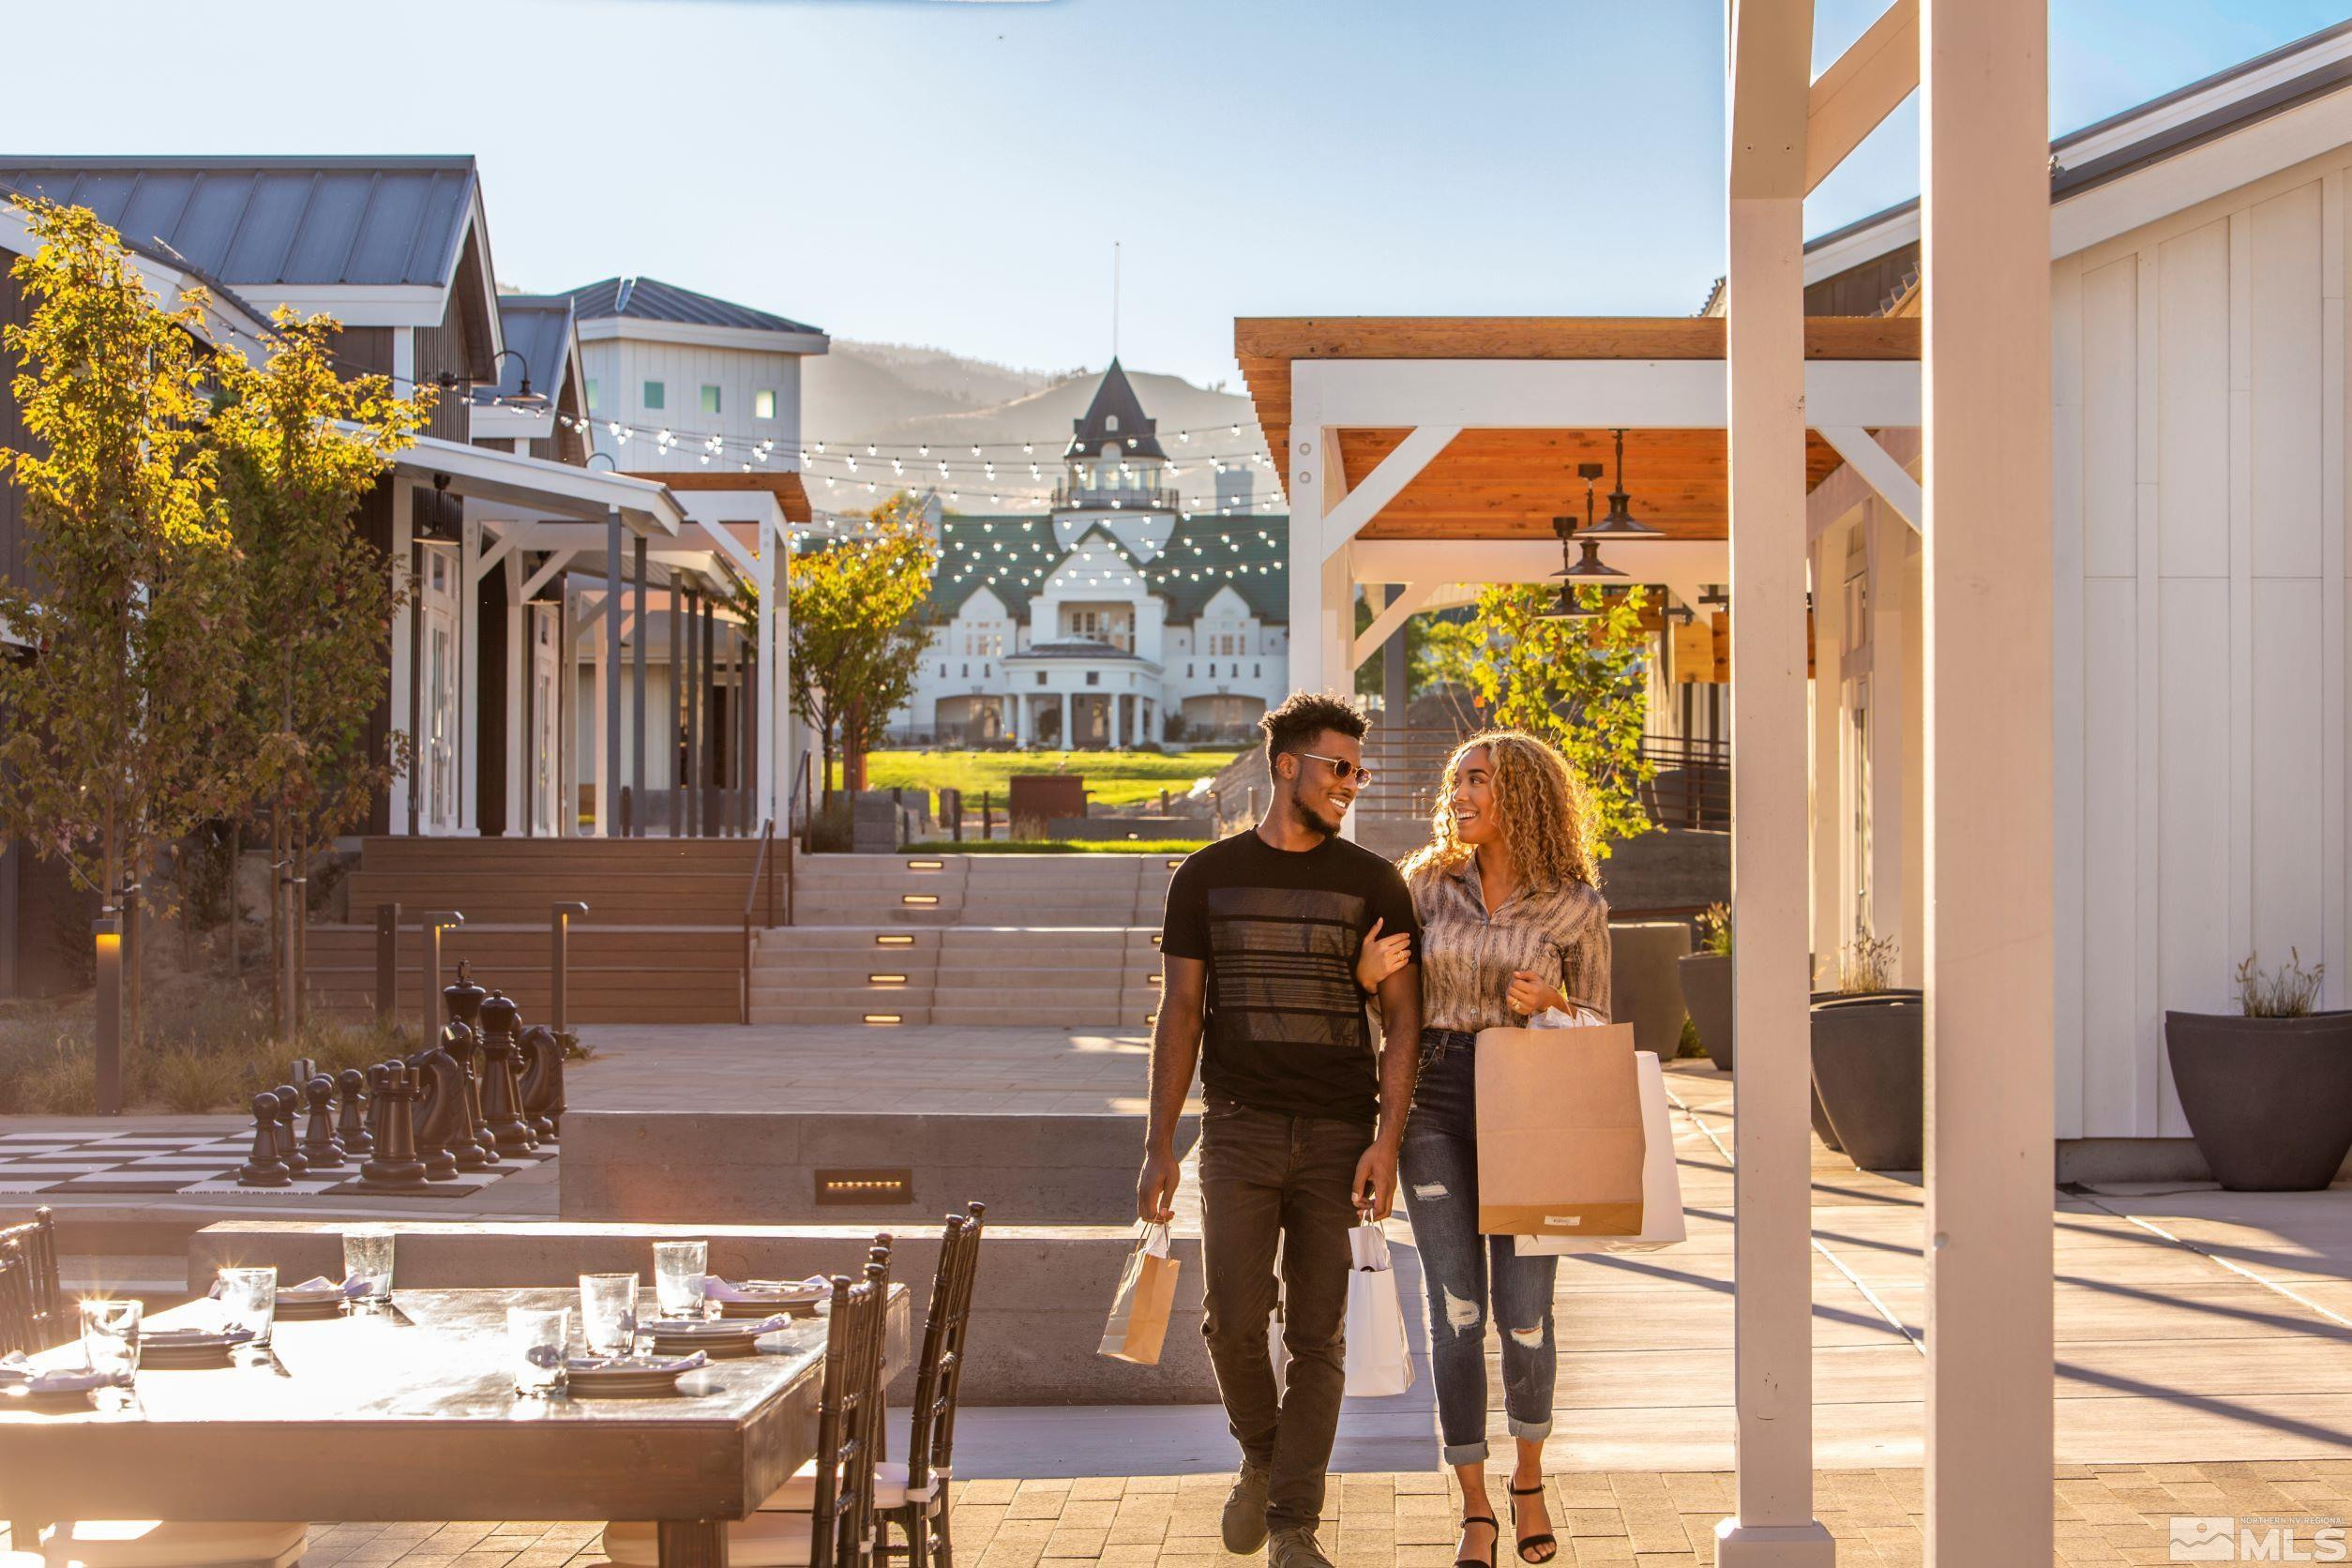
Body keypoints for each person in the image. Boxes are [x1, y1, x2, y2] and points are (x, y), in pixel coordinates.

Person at [1138, 692, 1424, 1568]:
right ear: (1288, 765)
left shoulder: (1373, 882)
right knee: (1229, 1319)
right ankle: (1263, 1459)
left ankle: (1294, 1525)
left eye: (1359, 770)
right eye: (1340, 767)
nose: (1352, 784)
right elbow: (1180, 1014)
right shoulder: (1204, 877)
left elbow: (1404, 1020)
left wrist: (1388, 1140)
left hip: (1340, 1134)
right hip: (1238, 1130)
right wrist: (1158, 1144)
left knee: (1317, 1337)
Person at [1354, 731, 1611, 1568]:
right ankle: (1472, 1505)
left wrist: (1557, 996)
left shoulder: (1576, 904)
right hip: (1433, 1097)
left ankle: (1528, 1481)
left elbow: (1601, 1030)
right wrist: (1365, 979)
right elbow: (1393, 1012)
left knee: (1526, 1314)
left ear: (1524, 797)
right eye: (1456, 780)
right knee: (1457, 1312)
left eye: (1478, 781)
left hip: (1531, 1103)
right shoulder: (1424, 886)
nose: (1460, 794)